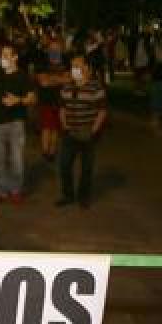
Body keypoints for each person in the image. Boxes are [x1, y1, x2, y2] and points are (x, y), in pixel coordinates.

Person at [0, 43, 35, 202]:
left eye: (7, 55)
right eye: (2, 55)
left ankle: (15, 190)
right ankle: (0, 189)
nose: (3, 58)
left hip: (16, 123)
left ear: (15, 57)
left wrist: (19, 100)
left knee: (16, 158)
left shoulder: (23, 76)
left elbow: (32, 97)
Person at [57, 54, 107, 209]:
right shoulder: (66, 87)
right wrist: (64, 126)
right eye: (72, 66)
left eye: (77, 66)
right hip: (70, 133)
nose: (74, 70)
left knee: (86, 168)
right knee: (64, 165)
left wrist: (93, 130)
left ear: (87, 68)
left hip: (87, 133)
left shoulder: (96, 87)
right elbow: (62, 108)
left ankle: (83, 197)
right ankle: (68, 195)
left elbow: (102, 111)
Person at [34, 33, 66, 162]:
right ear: (48, 50)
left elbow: (70, 79)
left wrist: (51, 79)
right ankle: (45, 151)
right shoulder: (42, 62)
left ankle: (52, 151)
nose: (55, 51)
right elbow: (43, 82)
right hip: (46, 100)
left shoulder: (66, 62)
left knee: (56, 128)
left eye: (57, 49)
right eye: (52, 49)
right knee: (46, 127)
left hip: (61, 100)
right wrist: (60, 79)